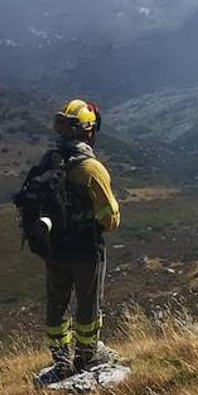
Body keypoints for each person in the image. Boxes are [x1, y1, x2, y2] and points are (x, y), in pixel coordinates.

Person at [40, 99, 122, 379]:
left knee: (56, 303)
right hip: (86, 249)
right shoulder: (90, 169)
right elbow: (110, 218)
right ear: (88, 131)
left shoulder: (49, 161)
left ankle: (60, 359)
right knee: (87, 302)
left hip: (53, 248)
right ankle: (88, 355)